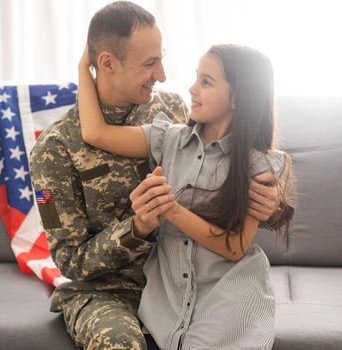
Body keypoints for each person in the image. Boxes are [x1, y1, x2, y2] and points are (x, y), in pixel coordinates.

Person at [30, 2, 284, 349]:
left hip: (181, 282)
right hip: (110, 292)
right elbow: (69, 261)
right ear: (106, 63)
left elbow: (222, 176)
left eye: (161, 58)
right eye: (150, 63)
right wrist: (137, 227)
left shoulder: (172, 109)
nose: (163, 75)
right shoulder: (51, 152)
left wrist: (273, 206)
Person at [77, 41, 295, 349]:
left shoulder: (259, 166)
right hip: (167, 300)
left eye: (206, 82)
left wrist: (170, 209)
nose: (192, 89)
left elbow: (234, 248)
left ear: (238, 98)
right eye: (196, 78)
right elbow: (95, 132)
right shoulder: (168, 139)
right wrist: (83, 68)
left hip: (230, 295)